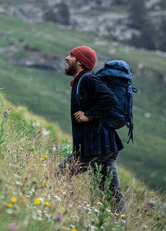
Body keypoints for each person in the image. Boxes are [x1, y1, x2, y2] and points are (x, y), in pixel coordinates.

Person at [56, 45, 126, 214]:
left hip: (95, 145)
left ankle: (60, 207)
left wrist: (89, 114)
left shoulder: (88, 79)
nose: (67, 58)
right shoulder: (81, 81)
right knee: (113, 195)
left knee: (60, 174)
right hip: (105, 145)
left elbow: (110, 99)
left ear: (80, 62)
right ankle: (120, 224)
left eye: (71, 56)